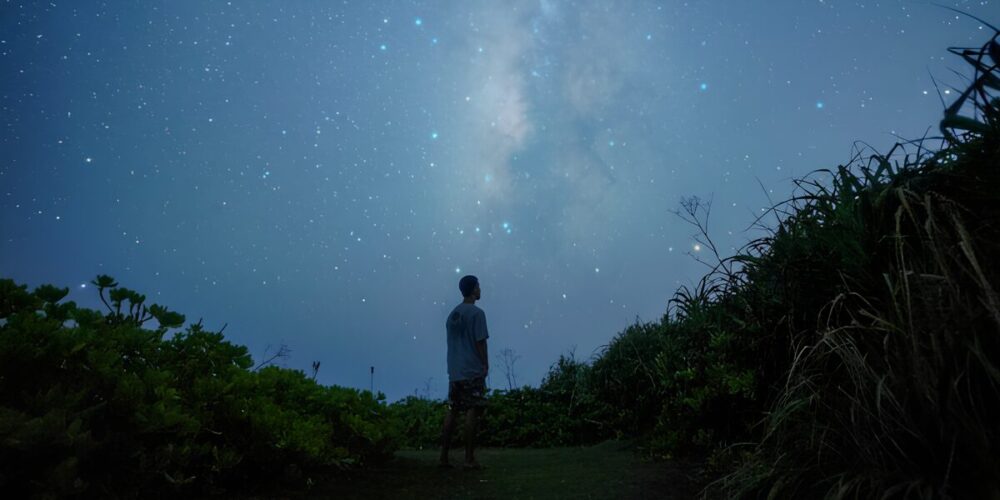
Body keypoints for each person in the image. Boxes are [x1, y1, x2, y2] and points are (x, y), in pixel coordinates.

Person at [439, 274, 489, 469]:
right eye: (478, 286)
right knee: (472, 410)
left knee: (453, 410)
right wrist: (485, 364)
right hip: (471, 369)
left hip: (455, 370)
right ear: (473, 289)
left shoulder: (452, 315)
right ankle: (468, 458)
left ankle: (443, 457)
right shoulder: (477, 314)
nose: (480, 289)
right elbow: (480, 341)